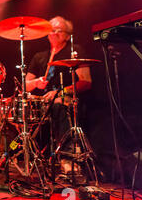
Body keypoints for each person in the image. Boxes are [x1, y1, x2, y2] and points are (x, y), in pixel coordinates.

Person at [25, 16, 92, 175]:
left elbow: (86, 82)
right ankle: (21, 156)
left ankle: (67, 159)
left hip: (66, 100)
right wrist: (35, 83)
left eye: (58, 30)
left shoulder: (75, 51)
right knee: (19, 105)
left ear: (67, 35)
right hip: (42, 101)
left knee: (57, 104)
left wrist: (60, 92)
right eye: (51, 30)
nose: (53, 33)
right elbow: (25, 84)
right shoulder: (39, 56)